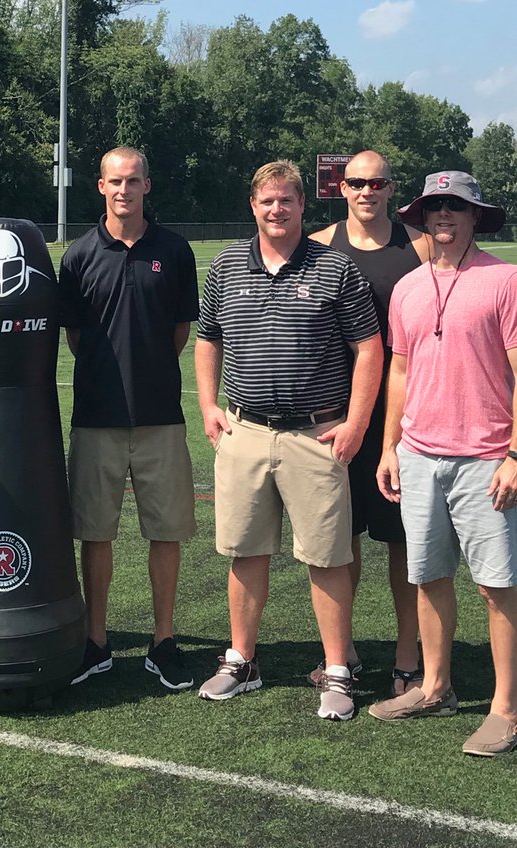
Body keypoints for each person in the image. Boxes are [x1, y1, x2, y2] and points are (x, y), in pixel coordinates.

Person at [195, 159, 383, 721]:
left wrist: (356, 422)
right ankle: (241, 661)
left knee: (327, 557)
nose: (276, 209)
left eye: (286, 200)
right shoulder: (227, 264)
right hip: (246, 429)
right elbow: (208, 338)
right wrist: (207, 405)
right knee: (245, 551)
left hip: (315, 434)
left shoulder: (335, 267)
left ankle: (338, 670)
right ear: (252, 206)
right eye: (267, 201)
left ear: (303, 204)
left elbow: (369, 348)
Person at [368, 171, 517, 756]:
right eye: (435, 207)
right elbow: (399, 371)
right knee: (428, 577)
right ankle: (435, 687)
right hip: (419, 455)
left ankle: (506, 709)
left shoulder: (505, 280)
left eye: (456, 206)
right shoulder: (408, 287)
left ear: (476, 215)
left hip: (486, 457)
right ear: (423, 217)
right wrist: (389, 446)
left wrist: (514, 453)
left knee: (496, 586)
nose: (445, 215)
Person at [59, 147, 200, 690]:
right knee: (95, 533)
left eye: (133, 180)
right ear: (101, 186)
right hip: (97, 417)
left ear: (147, 185)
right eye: (115, 181)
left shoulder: (174, 250)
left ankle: (163, 641)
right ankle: (96, 641)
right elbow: (76, 336)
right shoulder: (78, 254)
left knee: (166, 532)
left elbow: (179, 331)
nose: (124, 189)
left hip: (161, 415)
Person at [310, 150, 430, 694]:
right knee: (343, 537)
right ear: (342, 187)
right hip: (337, 415)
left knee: (404, 539)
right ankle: (345, 651)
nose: (366, 191)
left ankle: (408, 652)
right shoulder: (319, 245)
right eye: (356, 182)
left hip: (403, 415)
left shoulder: (418, 246)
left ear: (390, 189)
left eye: (376, 183)